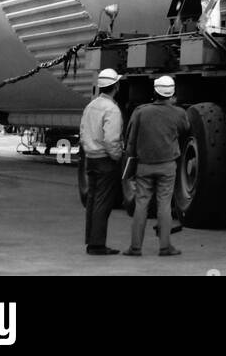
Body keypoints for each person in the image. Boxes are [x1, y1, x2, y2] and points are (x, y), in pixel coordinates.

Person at [123, 75, 189, 257]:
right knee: (164, 205)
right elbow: (185, 129)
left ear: (154, 91)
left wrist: (129, 168)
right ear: (173, 93)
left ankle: (135, 248)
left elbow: (131, 142)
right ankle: (165, 247)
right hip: (167, 166)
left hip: (144, 166)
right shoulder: (179, 113)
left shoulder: (140, 112)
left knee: (141, 204)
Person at [80, 68, 124, 255]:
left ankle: (91, 241)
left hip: (90, 158)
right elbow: (111, 139)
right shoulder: (112, 109)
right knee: (102, 203)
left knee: (92, 201)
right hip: (105, 160)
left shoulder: (91, 106)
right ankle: (98, 245)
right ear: (117, 86)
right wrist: (117, 156)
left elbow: (82, 132)